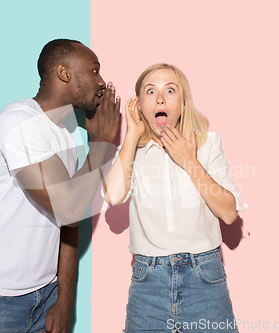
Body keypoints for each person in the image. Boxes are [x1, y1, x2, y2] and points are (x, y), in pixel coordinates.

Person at [0, 39, 120, 333]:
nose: (101, 82)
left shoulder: (64, 133)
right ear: (64, 73)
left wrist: (64, 301)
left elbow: (68, 225)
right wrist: (101, 143)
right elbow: (68, 208)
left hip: (45, 295)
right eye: (94, 71)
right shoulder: (19, 123)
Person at [102, 63, 245, 333]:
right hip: (148, 281)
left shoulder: (208, 143)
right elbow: (113, 196)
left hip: (204, 276)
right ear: (139, 105)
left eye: (170, 90)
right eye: (150, 91)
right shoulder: (131, 151)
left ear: (182, 102)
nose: (159, 99)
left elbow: (229, 213)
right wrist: (132, 135)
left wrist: (189, 161)